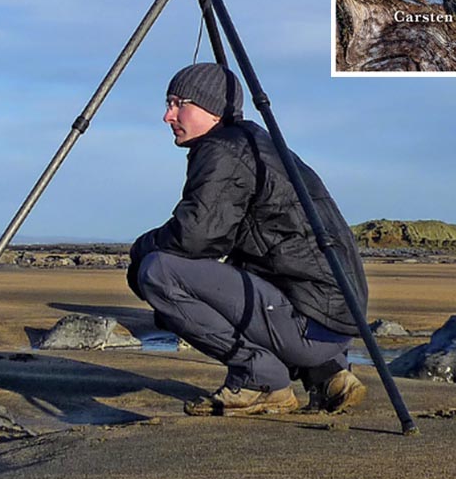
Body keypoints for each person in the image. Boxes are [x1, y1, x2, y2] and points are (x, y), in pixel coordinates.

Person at [127, 63, 369, 416]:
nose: (168, 115)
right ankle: (327, 372)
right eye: (168, 103)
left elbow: (197, 236)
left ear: (213, 109)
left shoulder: (224, 150)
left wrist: (141, 248)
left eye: (180, 104)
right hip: (335, 321)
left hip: (311, 322)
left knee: (156, 271)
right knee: (224, 267)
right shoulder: (256, 142)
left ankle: (261, 378)